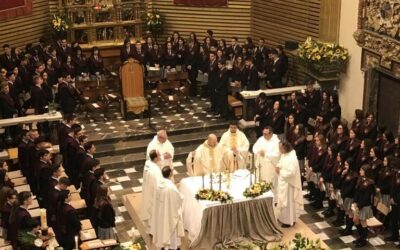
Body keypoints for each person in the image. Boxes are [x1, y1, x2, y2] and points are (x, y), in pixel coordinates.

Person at [151, 166, 184, 249]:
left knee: (163, 228)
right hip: (169, 213)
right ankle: (172, 247)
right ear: (170, 174)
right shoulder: (171, 187)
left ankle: (164, 245)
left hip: (161, 211)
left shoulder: (159, 184)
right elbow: (179, 198)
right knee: (170, 230)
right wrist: (179, 192)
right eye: (172, 171)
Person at [276, 140, 303, 227]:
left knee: (288, 203)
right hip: (283, 182)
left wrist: (280, 171)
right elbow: (281, 162)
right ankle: (282, 218)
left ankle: (289, 221)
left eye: (281, 148)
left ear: (285, 148)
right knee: (283, 202)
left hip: (289, 184)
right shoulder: (285, 154)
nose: (279, 149)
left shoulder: (292, 158)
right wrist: (278, 166)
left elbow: (291, 172)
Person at [253, 126, 281, 194]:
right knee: (261, 181)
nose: (264, 135)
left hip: (270, 166)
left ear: (271, 133)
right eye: (263, 133)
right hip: (261, 165)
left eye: (266, 134)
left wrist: (265, 154)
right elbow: (254, 148)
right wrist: (259, 151)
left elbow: (277, 154)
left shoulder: (277, 142)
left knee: (271, 183)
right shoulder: (261, 139)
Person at [352, 164, 375, 248]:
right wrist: (355, 201)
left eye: (361, 170)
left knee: (363, 222)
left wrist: (359, 205)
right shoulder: (360, 179)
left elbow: (367, 197)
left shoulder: (370, 183)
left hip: (364, 205)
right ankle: (361, 237)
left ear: (366, 172)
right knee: (355, 220)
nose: (360, 171)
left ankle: (363, 240)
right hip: (358, 204)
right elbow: (357, 191)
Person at [141, 150, 162, 233]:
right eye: (159, 156)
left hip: (148, 190)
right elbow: (158, 184)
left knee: (148, 209)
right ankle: (152, 229)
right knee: (152, 211)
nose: (160, 157)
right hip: (153, 193)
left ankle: (150, 227)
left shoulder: (148, 163)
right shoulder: (154, 171)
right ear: (156, 158)